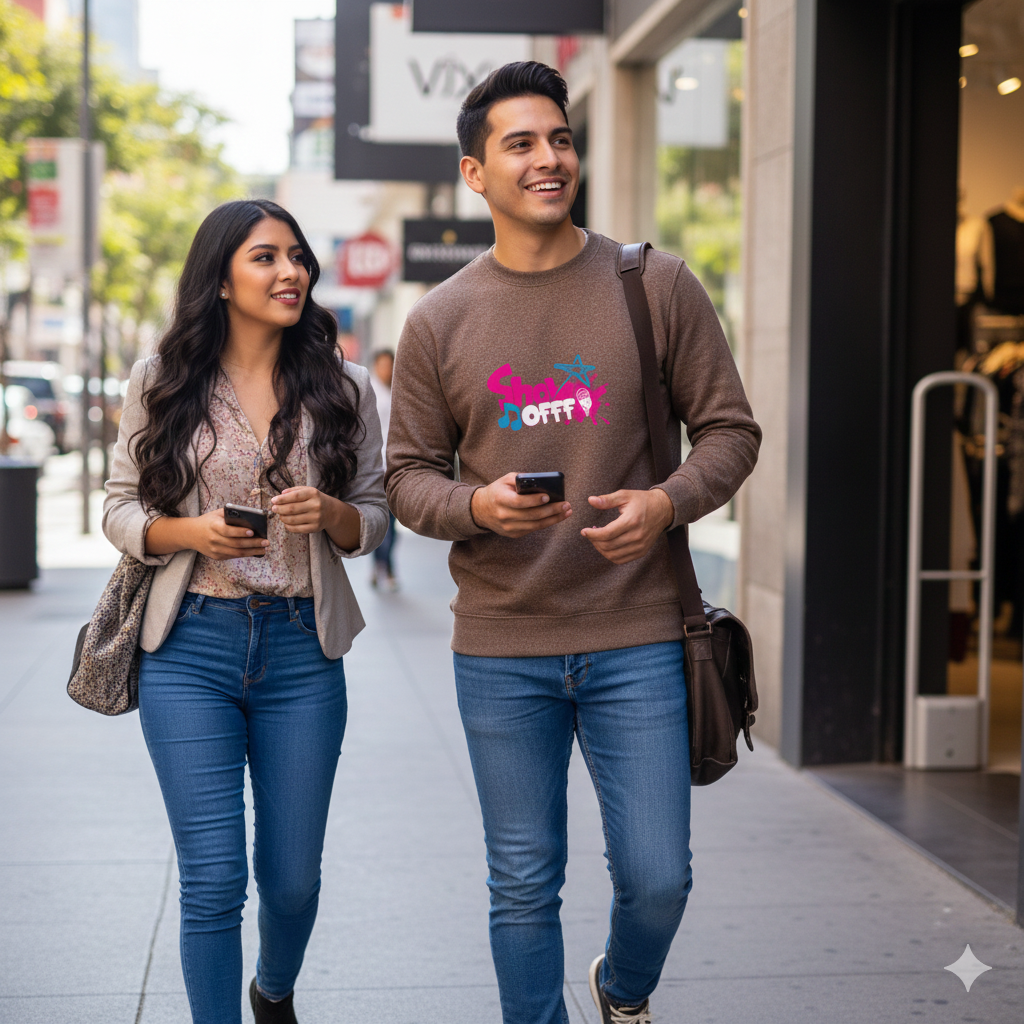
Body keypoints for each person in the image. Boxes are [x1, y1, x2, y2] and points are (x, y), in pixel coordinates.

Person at [386, 63, 761, 1024]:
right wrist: (477, 510)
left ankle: (622, 988)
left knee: (658, 878)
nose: (548, 158)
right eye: (521, 143)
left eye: (559, 138)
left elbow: (731, 431)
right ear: (476, 174)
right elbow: (407, 478)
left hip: (636, 634)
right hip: (503, 645)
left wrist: (668, 503)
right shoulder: (439, 321)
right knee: (521, 884)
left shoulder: (656, 284)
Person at [103, 199, 388, 1024]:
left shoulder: (346, 386)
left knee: (293, 877)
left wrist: (330, 517)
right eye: (266, 257)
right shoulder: (162, 380)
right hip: (190, 643)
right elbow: (118, 508)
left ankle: (273, 988)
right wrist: (186, 531)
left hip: (303, 650)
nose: (290, 271)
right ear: (221, 278)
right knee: (214, 877)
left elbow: (372, 515)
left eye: (297, 256)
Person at [369, 349, 399, 590]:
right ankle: (384, 569)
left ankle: (381, 566)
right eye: (382, 365)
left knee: (392, 524)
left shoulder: (400, 389)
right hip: (377, 467)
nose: (386, 370)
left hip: (397, 467)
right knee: (382, 521)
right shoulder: (371, 393)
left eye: (389, 365)